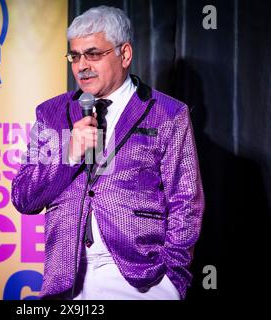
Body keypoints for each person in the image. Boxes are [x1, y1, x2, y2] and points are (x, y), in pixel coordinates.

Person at [11, 6, 204, 300]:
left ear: (124, 54)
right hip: (68, 278)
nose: (81, 66)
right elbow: (24, 197)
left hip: (141, 278)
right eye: (74, 56)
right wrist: (68, 153)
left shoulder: (167, 113)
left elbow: (186, 200)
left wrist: (172, 277)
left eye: (93, 54)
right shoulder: (51, 113)